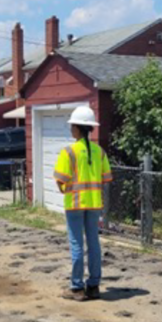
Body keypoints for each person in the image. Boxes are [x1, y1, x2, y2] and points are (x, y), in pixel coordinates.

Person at [54, 106, 112, 301]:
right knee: (93, 244)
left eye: (72, 126)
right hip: (94, 204)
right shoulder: (99, 152)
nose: (70, 129)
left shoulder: (68, 152)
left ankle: (77, 287)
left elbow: (61, 180)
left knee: (76, 244)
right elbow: (106, 178)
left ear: (78, 129)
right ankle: (94, 285)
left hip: (75, 205)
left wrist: (66, 190)